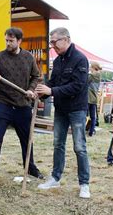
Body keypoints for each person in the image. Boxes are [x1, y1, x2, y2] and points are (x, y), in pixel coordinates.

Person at [0, 27, 43, 185]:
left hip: (22, 105)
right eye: (6, 40)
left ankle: (30, 167)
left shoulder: (28, 57)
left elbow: (36, 76)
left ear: (19, 41)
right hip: (3, 103)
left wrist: (31, 89)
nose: (8, 43)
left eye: (11, 41)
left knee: (27, 139)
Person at [35, 27, 91, 198]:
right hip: (61, 109)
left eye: (55, 42)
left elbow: (77, 86)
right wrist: (41, 93)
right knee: (58, 144)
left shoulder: (80, 59)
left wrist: (51, 91)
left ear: (66, 39)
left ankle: (84, 184)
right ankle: (55, 177)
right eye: (51, 42)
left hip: (77, 109)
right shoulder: (58, 61)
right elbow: (53, 83)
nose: (53, 46)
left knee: (79, 146)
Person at [87, 62, 102, 136]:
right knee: (93, 117)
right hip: (94, 98)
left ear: (93, 68)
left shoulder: (91, 76)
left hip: (88, 98)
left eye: (90, 67)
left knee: (84, 115)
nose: (89, 68)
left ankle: (82, 130)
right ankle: (91, 131)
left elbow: (85, 82)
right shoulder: (99, 76)